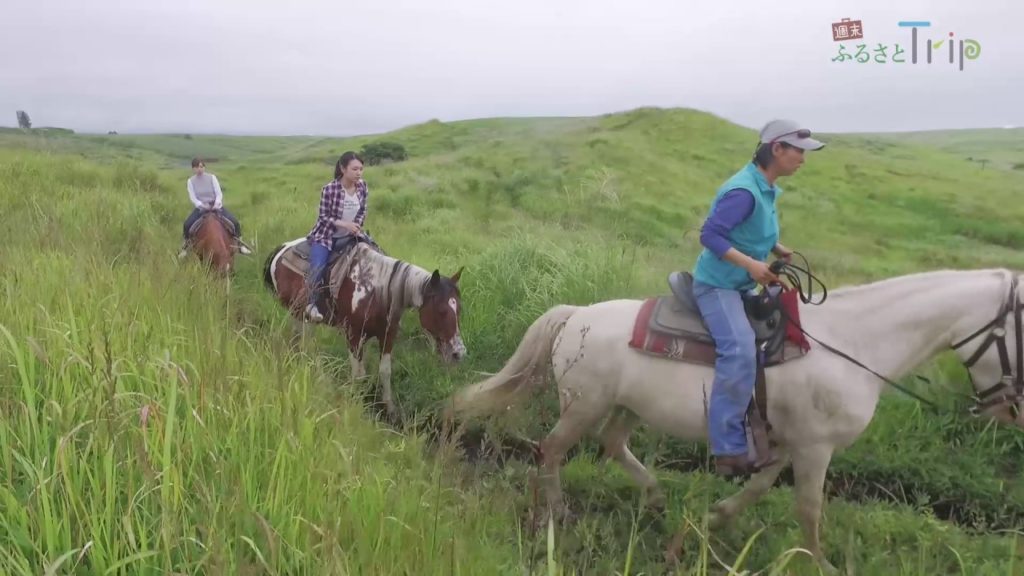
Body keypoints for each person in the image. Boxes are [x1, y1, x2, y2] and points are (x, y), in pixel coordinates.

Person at [691, 119, 826, 477]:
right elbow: (711, 235)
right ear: (777, 149)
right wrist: (753, 265)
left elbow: (745, 229)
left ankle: (763, 421)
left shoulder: (764, 187)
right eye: (798, 151)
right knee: (738, 346)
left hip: (740, 283)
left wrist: (774, 247)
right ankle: (728, 449)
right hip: (718, 286)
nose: (803, 159)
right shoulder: (745, 192)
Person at [303, 151, 375, 323]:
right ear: (343, 169)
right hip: (327, 236)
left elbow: (363, 209)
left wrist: (356, 225)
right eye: (354, 169)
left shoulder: (363, 186)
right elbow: (324, 216)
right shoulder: (330, 189)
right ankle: (311, 304)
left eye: (361, 169)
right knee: (318, 267)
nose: (359, 173)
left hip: (352, 234)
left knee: (377, 254)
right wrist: (345, 225)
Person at [178, 158, 252, 258]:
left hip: (215, 206)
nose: (199, 169)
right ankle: (186, 247)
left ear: (204, 167)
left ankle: (240, 245)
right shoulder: (190, 181)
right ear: (193, 169)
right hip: (201, 208)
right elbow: (193, 197)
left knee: (235, 222)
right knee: (187, 225)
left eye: (201, 166)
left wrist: (217, 203)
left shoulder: (212, 177)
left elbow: (218, 193)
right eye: (196, 167)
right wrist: (201, 205)